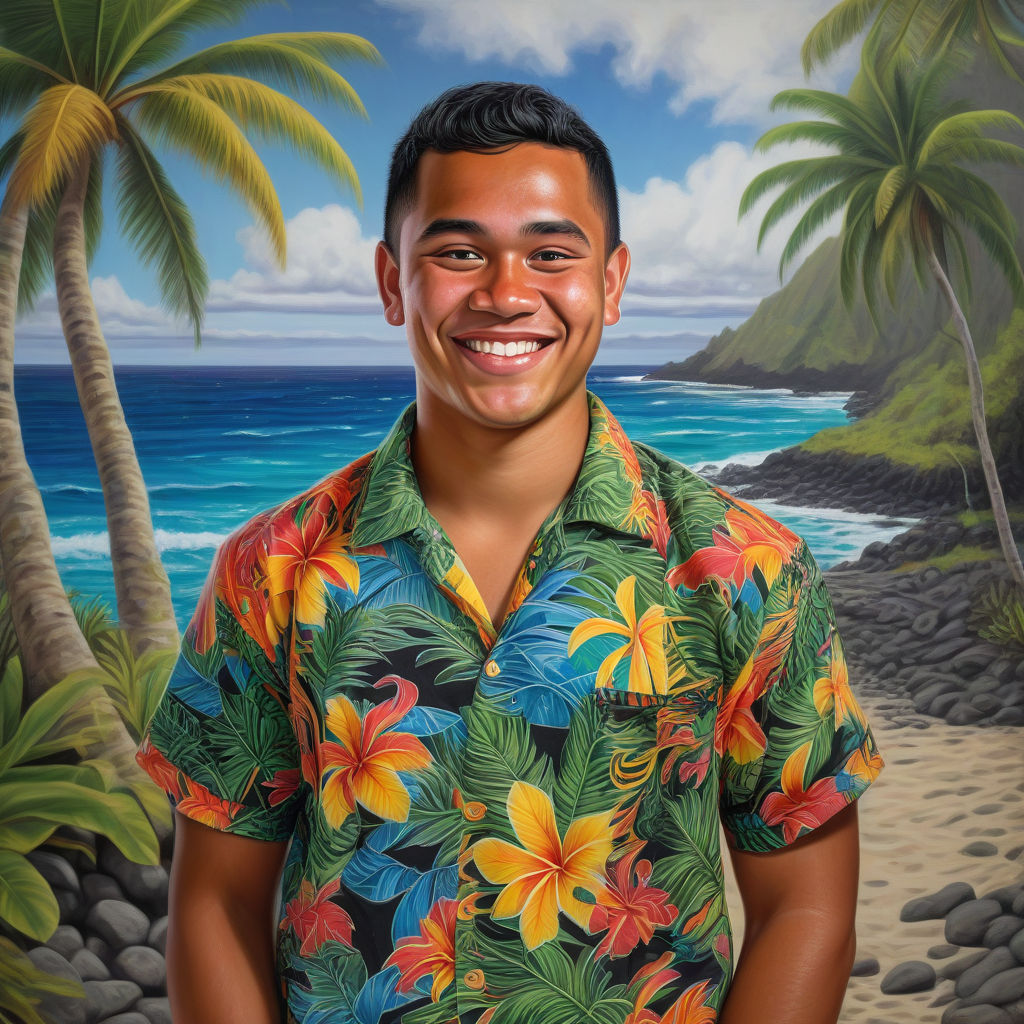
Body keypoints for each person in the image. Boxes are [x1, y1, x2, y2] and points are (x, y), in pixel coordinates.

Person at [138, 81, 883, 1024]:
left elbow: (808, 907)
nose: (504, 293)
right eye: (458, 252)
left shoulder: (748, 569)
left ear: (609, 283)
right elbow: (214, 898)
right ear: (389, 280)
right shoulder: (271, 571)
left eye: (550, 253)